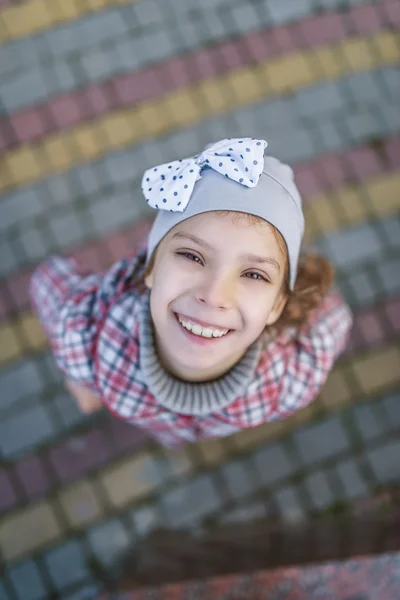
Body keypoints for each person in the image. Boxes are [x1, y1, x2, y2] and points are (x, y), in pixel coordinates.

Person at [30, 138, 353, 448]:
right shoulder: (85, 337)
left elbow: (336, 318)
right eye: (192, 256)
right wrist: (79, 377)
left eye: (254, 274)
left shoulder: (295, 378)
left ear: (277, 306)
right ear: (151, 268)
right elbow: (47, 280)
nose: (213, 296)